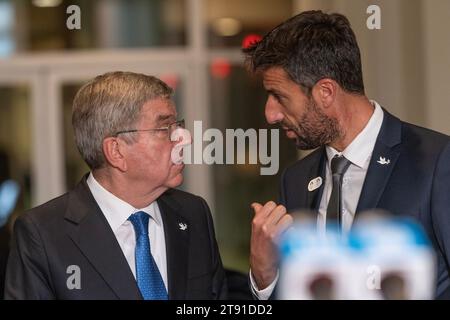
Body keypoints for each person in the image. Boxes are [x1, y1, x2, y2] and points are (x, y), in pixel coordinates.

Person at [243, 10, 450, 299]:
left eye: (279, 96)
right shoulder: (295, 180)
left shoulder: (437, 161)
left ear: (326, 92)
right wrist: (264, 276)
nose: (270, 114)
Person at [4, 72, 227, 300]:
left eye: (178, 125)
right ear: (116, 151)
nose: (185, 138)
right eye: (164, 128)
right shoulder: (43, 234)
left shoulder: (194, 213)